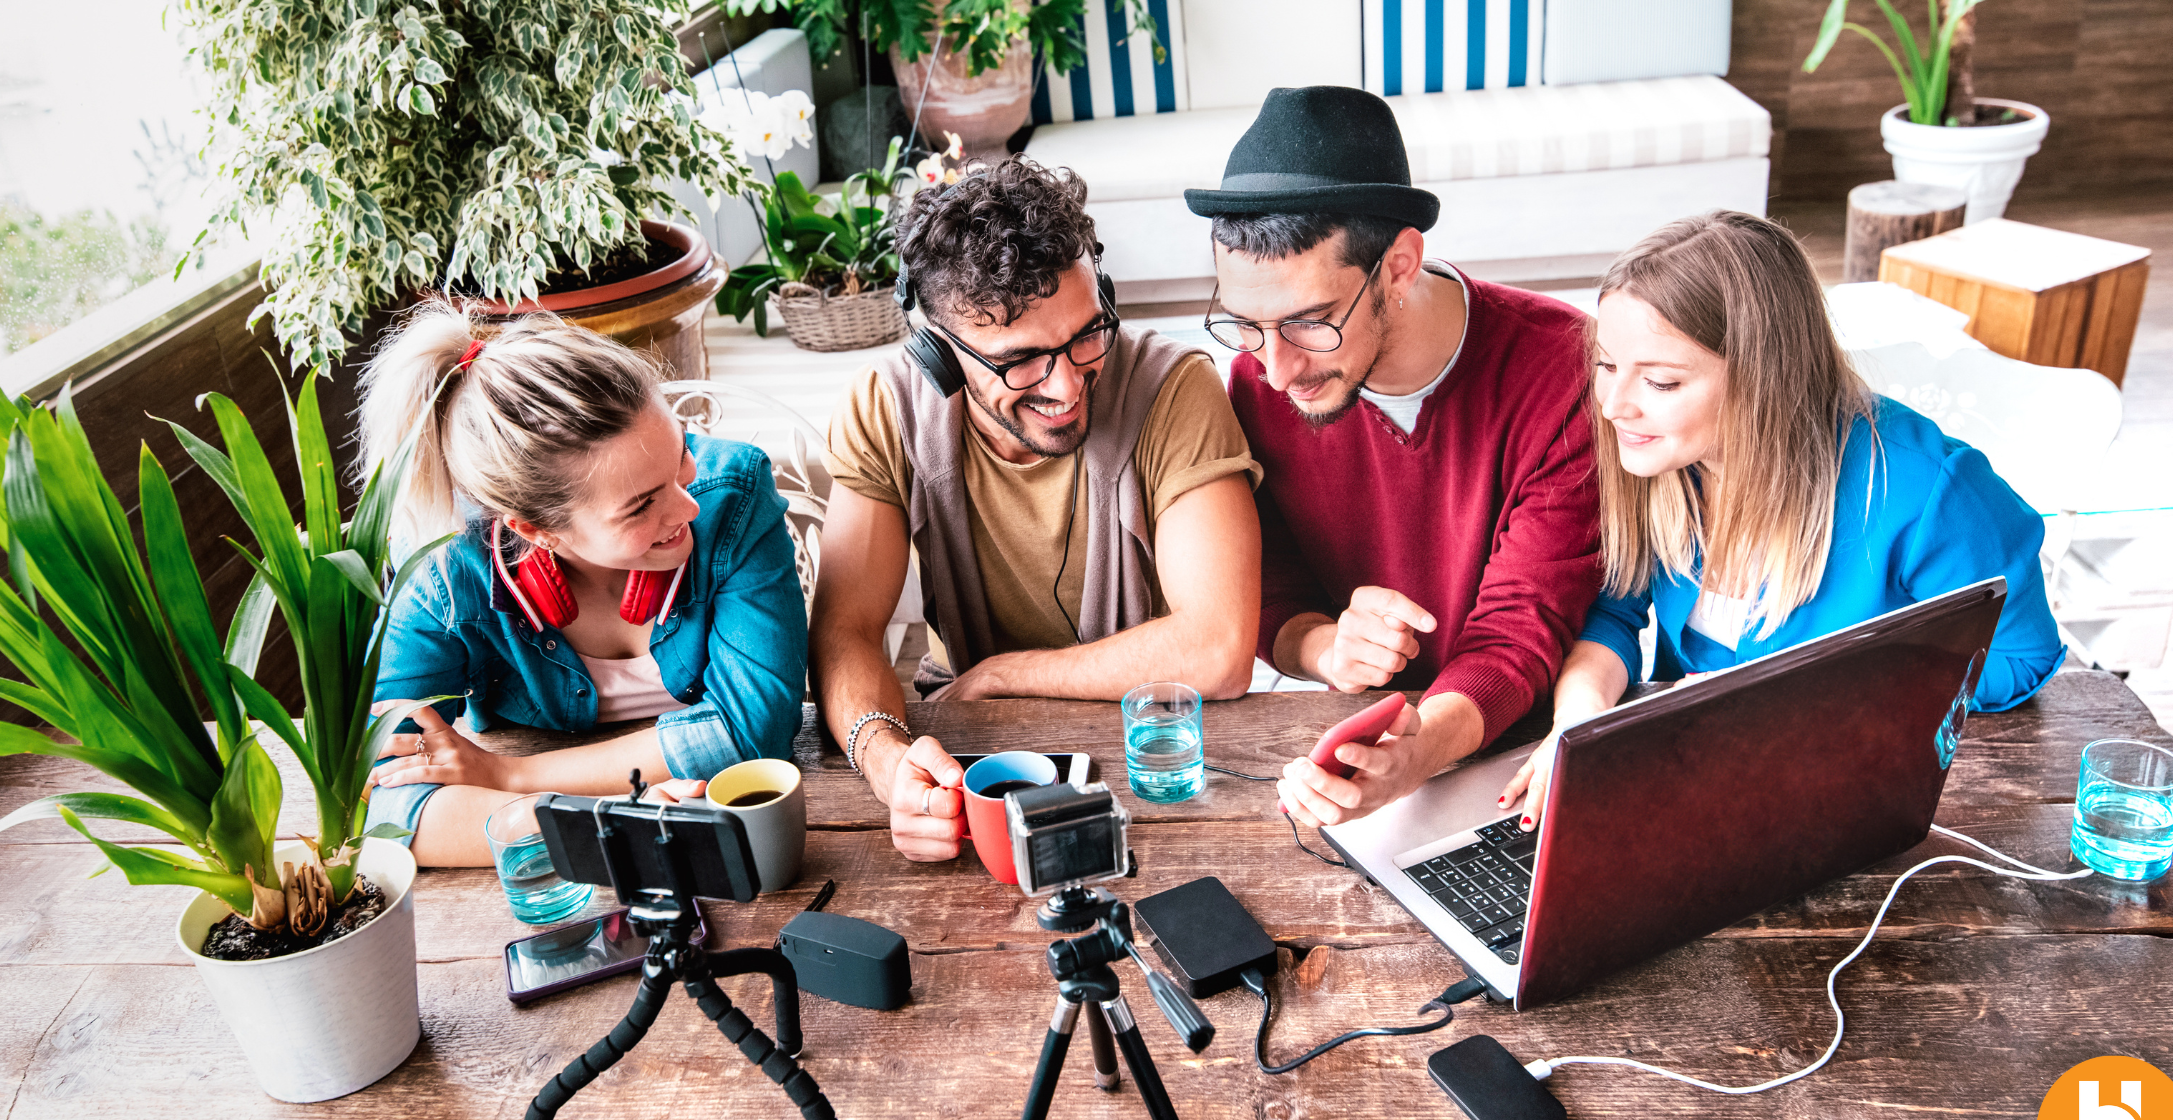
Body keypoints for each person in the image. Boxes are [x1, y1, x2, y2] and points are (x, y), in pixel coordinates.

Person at [1501, 210, 2066, 826]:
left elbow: (2018, 654)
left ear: (1762, 378)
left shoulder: (1928, 489)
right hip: (1686, 778)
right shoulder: (1653, 455)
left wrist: (1819, 702)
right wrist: (1576, 726)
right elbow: (1614, 611)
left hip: (1841, 793)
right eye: (1607, 366)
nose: (1613, 406)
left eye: (1660, 381)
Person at [814, 158, 1263, 862]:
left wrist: (1001, 674)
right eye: (1019, 361)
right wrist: (884, 760)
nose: (1066, 384)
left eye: (1087, 333)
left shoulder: (1176, 388)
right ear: (940, 352)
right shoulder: (887, 403)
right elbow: (844, 630)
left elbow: (1219, 647)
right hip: (971, 746)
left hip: (1145, 746)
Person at [1184, 86, 1603, 828]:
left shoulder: (1563, 370)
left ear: (1401, 266)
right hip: (1338, 735)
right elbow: (1267, 584)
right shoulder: (1258, 374)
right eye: (1245, 324)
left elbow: (1519, 637)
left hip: (1505, 761)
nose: (1276, 370)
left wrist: (1416, 753)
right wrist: (1323, 647)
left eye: (1311, 323)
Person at [360, 305, 808, 866]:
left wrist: (508, 774)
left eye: (680, 459)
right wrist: (593, 823)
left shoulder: (735, 494)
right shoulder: (442, 573)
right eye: (642, 504)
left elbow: (751, 734)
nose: (688, 506)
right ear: (534, 529)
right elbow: (380, 797)